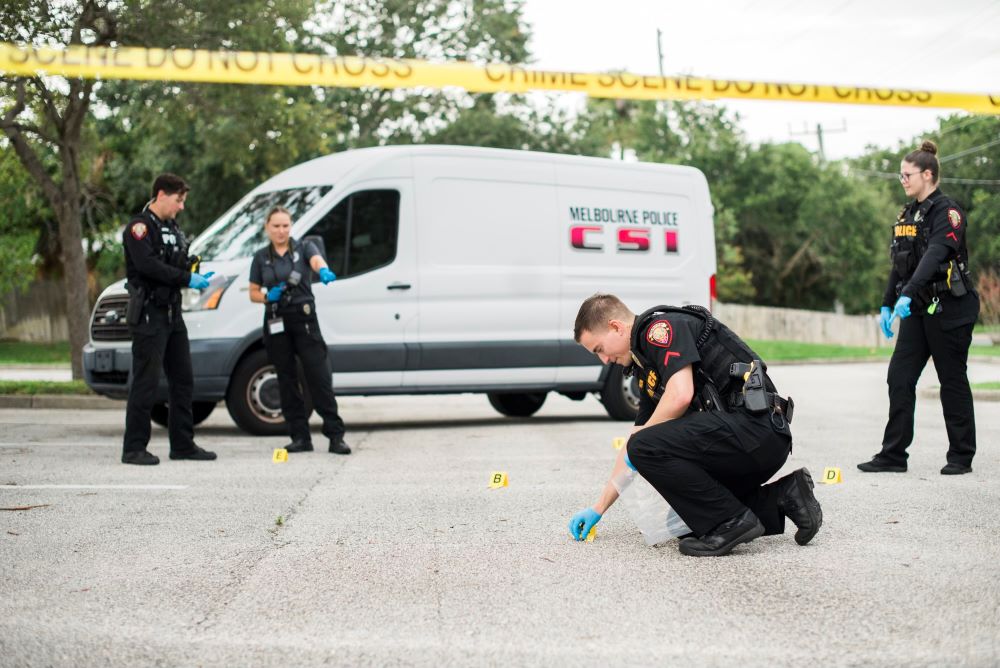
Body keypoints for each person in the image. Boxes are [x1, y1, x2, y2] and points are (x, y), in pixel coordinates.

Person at [567, 294, 822, 557]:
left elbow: (680, 395)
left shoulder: (660, 330)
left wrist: (641, 442)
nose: (604, 360)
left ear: (616, 327)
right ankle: (787, 496)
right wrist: (598, 507)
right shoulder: (648, 369)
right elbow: (634, 444)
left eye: (599, 349)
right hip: (747, 441)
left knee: (646, 446)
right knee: (686, 523)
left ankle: (731, 522)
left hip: (756, 431)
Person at [860, 140, 979, 476]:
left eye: (907, 175)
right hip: (918, 308)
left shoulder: (947, 213)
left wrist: (908, 293)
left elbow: (935, 255)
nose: (903, 181)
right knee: (899, 377)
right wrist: (887, 303)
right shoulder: (907, 214)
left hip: (950, 307)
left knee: (951, 380)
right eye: (901, 176)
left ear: (928, 175)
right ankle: (893, 455)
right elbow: (900, 263)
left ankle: (961, 456)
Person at [122, 173, 218, 465]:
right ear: (161, 194)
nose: (182, 207)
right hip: (150, 313)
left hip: (173, 314)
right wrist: (187, 278)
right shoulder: (139, 227)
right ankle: (134, 448)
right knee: (146, 382)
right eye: (179, 200)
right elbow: (148, 266)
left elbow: (175, 261)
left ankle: (183, 445)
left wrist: (192, 268)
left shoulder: (172, 227)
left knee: (183, 380)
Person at [248, 207, 351, 455]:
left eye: (285, 226)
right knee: (286, 379)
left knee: (319, 377)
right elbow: (252, 292)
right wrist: (265, 296)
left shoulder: (304, 248)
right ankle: (299, 437)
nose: (281, 231)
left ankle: (335, 435)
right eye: (276, 226)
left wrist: (323, 270)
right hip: (276, 320)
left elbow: (316, 261)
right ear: (267, 228)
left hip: (304, 320)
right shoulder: (261, 257)